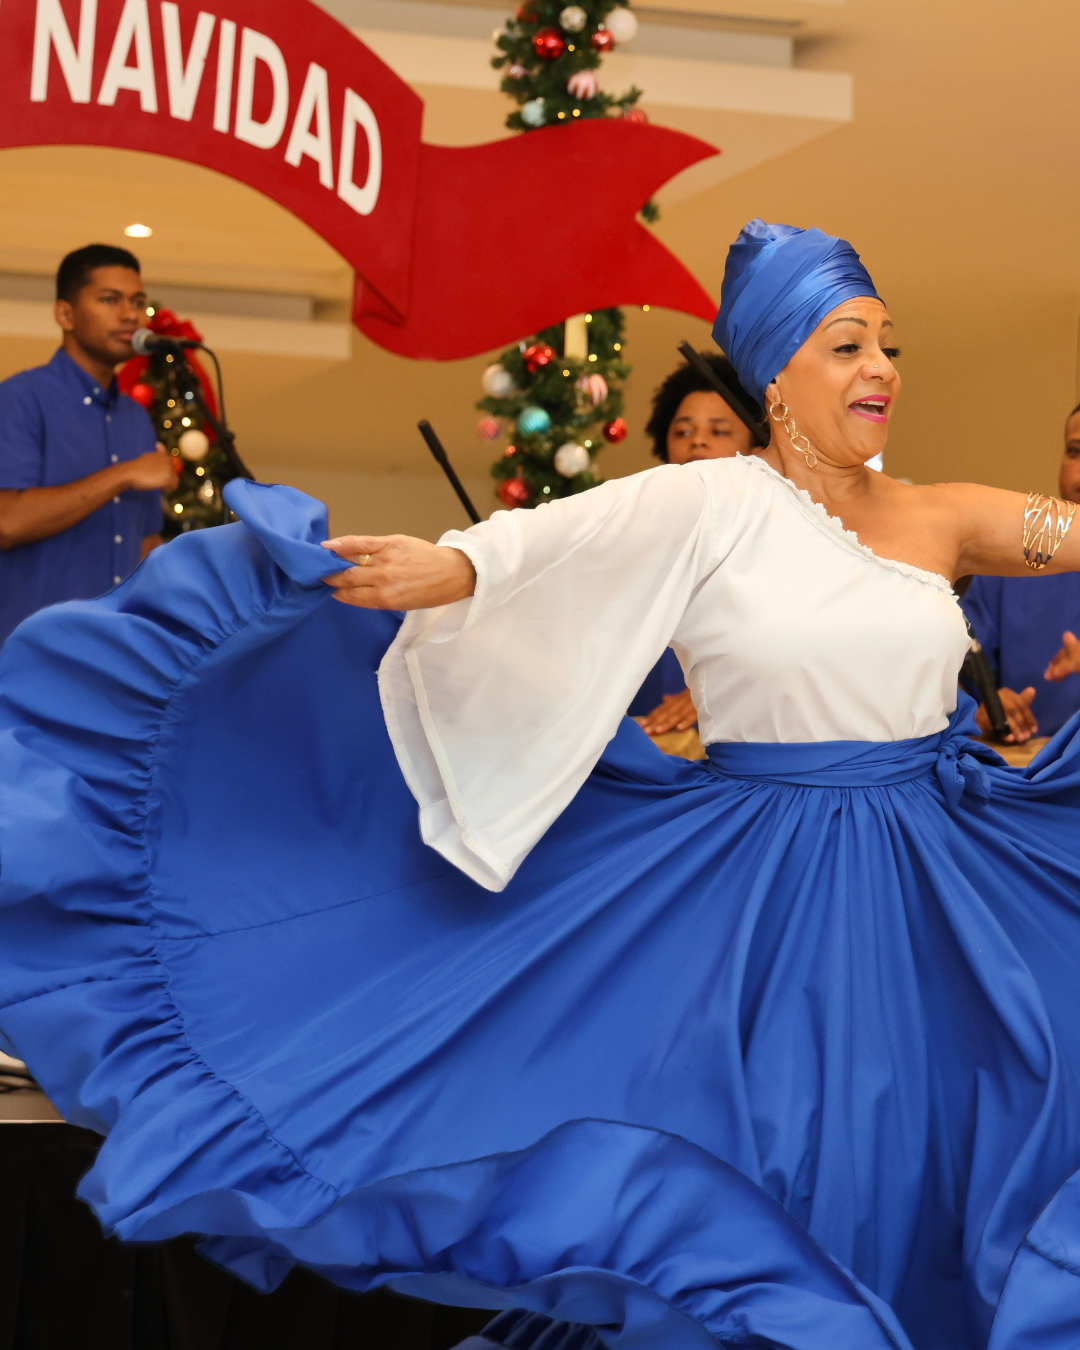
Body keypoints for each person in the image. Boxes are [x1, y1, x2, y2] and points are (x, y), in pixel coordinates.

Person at [7, 220, 1080, 1350]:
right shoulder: (712, 501)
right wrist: (447, 567)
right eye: (847, 345)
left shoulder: (940, 512)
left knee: (949, 1147)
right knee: (801, 1166)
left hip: (934, 881)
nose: (880, 371)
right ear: (775, 371)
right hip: (778, 896)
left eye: (889, 347)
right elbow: (544, 544)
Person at [0, 244, 178, 645]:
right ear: (65, 314)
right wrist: (124, 474)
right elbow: (6, 523)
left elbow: (146, 544)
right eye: (109, 300)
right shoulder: (19, 398)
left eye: (138, 301)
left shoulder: (136, 418)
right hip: (32, 655)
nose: (130, 314)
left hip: (117, 655)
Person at [629, 352, 761, 733]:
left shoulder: (777, 538)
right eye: (683, 431)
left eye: (718, 431)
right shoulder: (639, 536)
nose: (697, 441)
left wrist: (719, 688)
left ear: (756, 447)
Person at [960, 400, 1080, 742]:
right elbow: (948, 677)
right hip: (1025, 776)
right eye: (1076, 451)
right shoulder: (1010, 562)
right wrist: (982, 711)